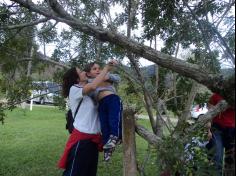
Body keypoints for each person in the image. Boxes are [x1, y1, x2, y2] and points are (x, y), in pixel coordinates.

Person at [57, 60, 117, 176]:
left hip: (93, 140)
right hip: (82, 140)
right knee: (74, 173)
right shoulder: (74, 90)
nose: (84, 72)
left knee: (89, 173)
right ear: (76, 79)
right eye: (80, 72)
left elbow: (97, 87)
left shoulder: (89, 94)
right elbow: (94, 85)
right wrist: (106, 69)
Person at [84, 62, 123, 162]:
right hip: (101, 104)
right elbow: (89, 89)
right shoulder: (89, 82)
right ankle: (107, 149)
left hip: (112, 99)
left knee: (114, 119)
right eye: (94, 69)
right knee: (104, 126)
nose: (98, 70)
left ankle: (115, 136)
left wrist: (107, 76)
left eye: (99, 68)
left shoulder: (106, 76)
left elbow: (118, 78)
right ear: (88, 73)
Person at [206, 93, 235, 176]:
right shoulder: (215, 95)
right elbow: (209, 114)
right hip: (217, 130)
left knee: (231, 161)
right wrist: (208, 131)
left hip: (233, 131)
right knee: (216, 157)